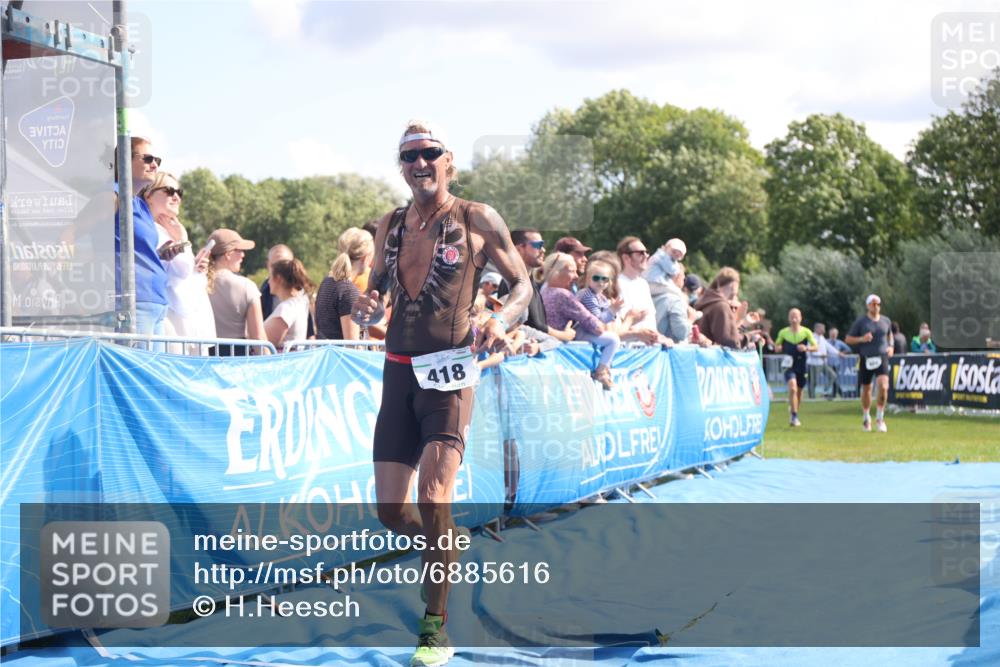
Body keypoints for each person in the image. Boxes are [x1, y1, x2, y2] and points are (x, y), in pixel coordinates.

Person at [352, 121, 530, 667]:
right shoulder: (390, 223)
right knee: (391, 512)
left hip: (448, 379)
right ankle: (444, 545)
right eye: (409, 156)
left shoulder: (477, 217)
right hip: (398, 375)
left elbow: (523, 285)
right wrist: (367, 305)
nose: (419, 163)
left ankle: (434, 627)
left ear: (448, 160)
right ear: (401, 166)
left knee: (434, 498)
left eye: (429, 152)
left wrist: (500, 318)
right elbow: (376, 293)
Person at [140, 172, 215, 354]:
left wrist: (197, 268)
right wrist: (183, 239)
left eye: (179, 192)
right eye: (169, 191)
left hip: (185, 321)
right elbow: (181, 271)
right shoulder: (150, 230)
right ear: (148, 195)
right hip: (170, 320)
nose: (176, 197)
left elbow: (185, 273)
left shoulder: (169, 230)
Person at [115, 137, 176, 342]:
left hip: (155, 302)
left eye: (157, 160)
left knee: (151, 364)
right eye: (148, 158)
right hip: (134, 302)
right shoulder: (113, 196)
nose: (155, 165)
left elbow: (137, 250)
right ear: (125, 159)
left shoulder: (140, 204)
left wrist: (159, 255)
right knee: (136, 363)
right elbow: (75, 232)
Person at [541, 253, 621, 390]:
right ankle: (601, 371)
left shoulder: (544, 291)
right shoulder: (563, 294)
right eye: (572, 271)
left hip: (555, 346)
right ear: (556, 271)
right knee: (613, 339)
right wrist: (611, 312)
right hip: (561, 346)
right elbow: (596, 327)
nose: (576, 276)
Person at [500, 229, 575, 344]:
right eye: (538, 245)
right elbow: (532, 325)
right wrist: (564, 335)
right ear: (519, 249)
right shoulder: (512, 281)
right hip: (521, 350)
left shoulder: (528, 280)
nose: (543, 250)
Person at [206, 229, 269, 356]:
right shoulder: (247, 286)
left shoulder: (196, 283)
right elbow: (258, 337)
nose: (243, 255)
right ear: (228, 254)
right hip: (236, 360)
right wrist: (271, 364)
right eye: (239, 250)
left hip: (202, 359)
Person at [845, 294, 894, 432]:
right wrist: (862, 339)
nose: (876, 306)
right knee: (867, 389)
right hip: (866, 358)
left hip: (882, 356)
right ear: (868, 306)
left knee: (883, 386)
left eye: (878, 304)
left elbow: (890, 334)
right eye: (873, 304)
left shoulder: (886, 320)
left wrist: (891, 346)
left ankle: (880, 418)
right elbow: (848, 339)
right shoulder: (861, 322)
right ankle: (866, 418)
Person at [315, 228, 372, 340]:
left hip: (328, 350)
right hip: (338, 352)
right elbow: (352, 345)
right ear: (365, 258)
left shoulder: (327, 281)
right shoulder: (348, 291)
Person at [615, 236, 665, 346]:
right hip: (625, 350)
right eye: (640, 253)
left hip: (648, 350)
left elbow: (650, 322)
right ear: (626, 258)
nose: (646, 256)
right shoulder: (616, 283)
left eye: (646, 252)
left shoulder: (643, 284)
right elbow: (617, 325)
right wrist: (637, 333)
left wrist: (661, 338)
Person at [694, 267, 758, 349]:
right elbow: (730, 341)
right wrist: (749, 337)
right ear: (733, 286)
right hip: (714, 356)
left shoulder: (705, 302)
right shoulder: (721, 306)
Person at [774, 308, 818, 426]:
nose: (794, 318)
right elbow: (776, 346)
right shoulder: (783, 332)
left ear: (800, 318)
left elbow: (816, 347)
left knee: (799, 391)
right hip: (789, 364)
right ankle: (794, 416)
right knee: (792, 388)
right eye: (791, 316)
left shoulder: (806, 332)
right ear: (789, 318)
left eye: (796, 316)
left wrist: (806, 348)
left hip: (802, 364)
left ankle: (794, 411)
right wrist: (778, 348)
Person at [264, 258, 313, 351]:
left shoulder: (286, 309)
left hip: (282, 359)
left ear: (278, 279)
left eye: (270, 277)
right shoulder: (299, 302)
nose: (268, 281)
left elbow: (265, 345)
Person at [260, 244, 294, 320]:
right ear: (268, 265)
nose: (279, 270)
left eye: (284, 264)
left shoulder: (301, 294)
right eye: (275, 265)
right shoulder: (263, 292)